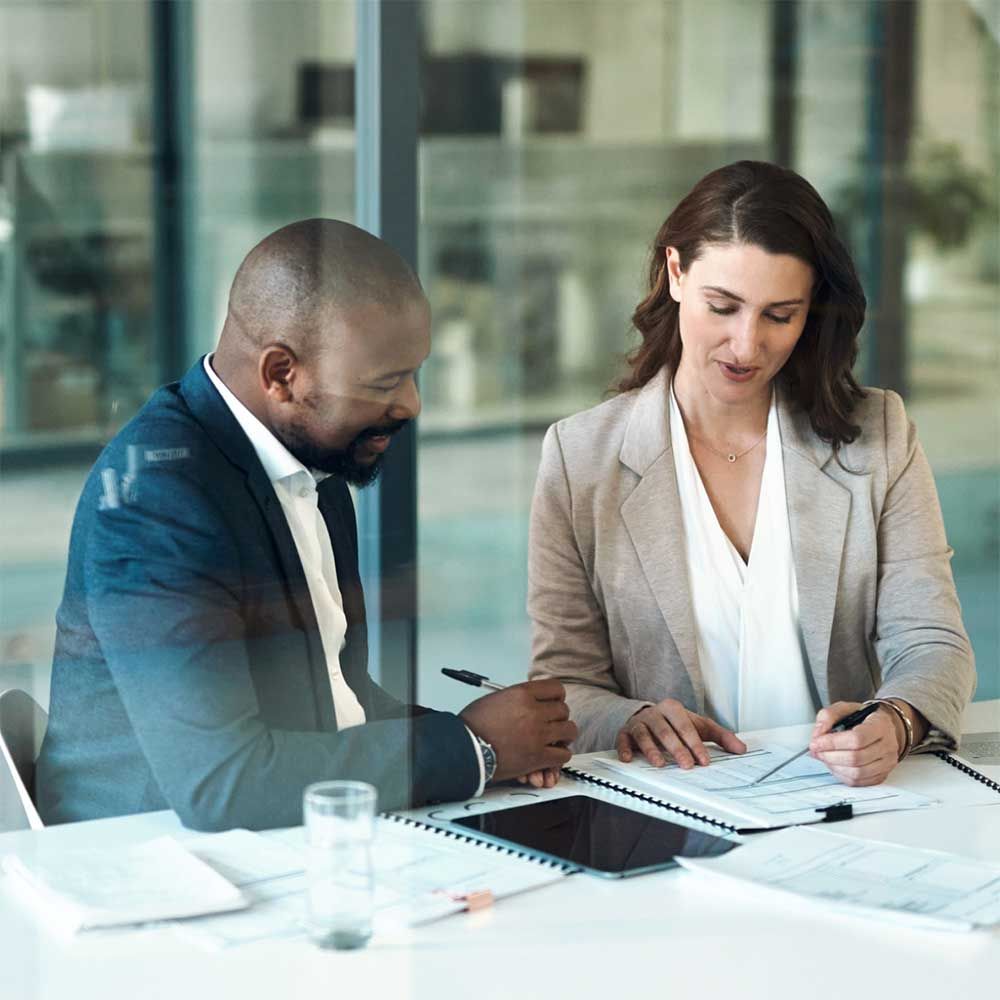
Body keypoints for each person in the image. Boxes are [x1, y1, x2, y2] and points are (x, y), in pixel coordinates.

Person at [37, 219, 575, 831]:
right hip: (148, 864)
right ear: (280, 374)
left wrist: (488, 740)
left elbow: (336, 696)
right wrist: (473, 750)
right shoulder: (156, 501)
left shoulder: (310, 462)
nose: (412, 405)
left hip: (275, 842)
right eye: (385, 383)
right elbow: (223, 783)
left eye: (414, 373)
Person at [528, 161, 975, 788]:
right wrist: (630, 719)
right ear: (676, 272)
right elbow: (564, 683)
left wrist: (897, 719)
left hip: (843, 803)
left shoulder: (880, 435)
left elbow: (933, 643)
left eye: (779, 315)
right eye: (723, 306)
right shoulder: (580, 458)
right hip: (672, 807)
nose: (746, 345)